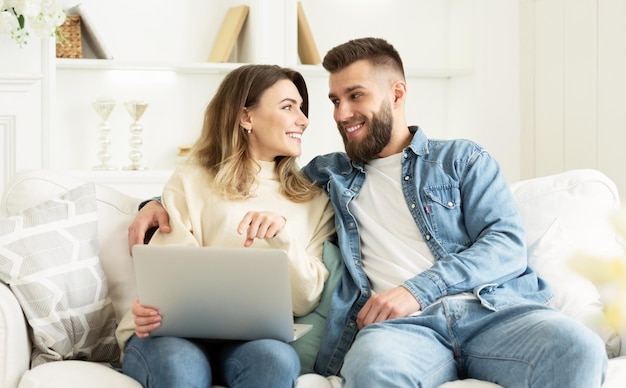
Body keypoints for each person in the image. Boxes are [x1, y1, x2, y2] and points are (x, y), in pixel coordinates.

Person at [129, 38, 608, 387]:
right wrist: (151, 203)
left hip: (492, 312)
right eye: (335, 100)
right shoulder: (325, 176)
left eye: (355, 96)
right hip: (400, 333)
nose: (339, 114)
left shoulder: (462, 159)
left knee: (578, 348)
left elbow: (505, 244)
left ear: (397, 94)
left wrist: (416, 291)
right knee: (372, 371)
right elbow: (236, 181)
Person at [117, 64, 335, 388]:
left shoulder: (314, 199)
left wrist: (283, 240)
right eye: (288, 107)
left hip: (254, 343)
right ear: (246, 117)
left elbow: (305, 300)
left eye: (301, 109)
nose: (303, 120)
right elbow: (170, 276)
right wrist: (153, 304)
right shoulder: (191, 180)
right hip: (173, 335)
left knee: (274, 363)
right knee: (180, 368)